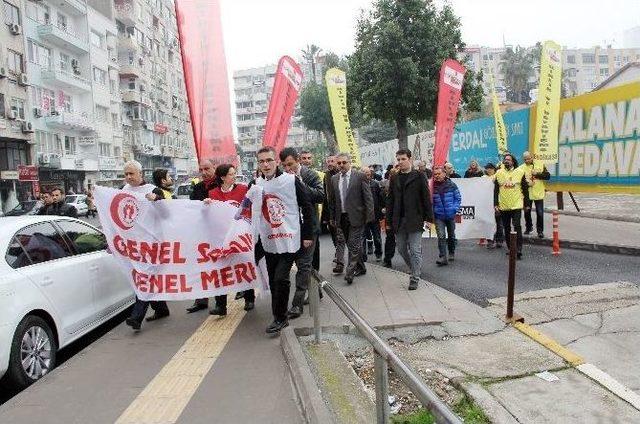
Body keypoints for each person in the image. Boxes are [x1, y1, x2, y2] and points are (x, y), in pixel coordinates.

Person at [254, 146, 315, 334]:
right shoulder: (256, 184)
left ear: (276, 162)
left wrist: (307, 235)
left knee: (281, 278)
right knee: (273, 279)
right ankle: (278, 314)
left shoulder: (291, 181)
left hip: (290, 238)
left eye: (269, 160)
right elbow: (248, 209)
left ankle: (280, 318)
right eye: (261, 161)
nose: (265, 164)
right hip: (269, 241)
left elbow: (307, 207)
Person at [123, 161, 170, 331]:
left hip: (153, 242)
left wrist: (157, 200)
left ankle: (136, 317)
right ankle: (161, 309)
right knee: (145, 276)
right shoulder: (124, 191)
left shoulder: (153, 190)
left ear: (140, 174)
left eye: (131, 174)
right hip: (135, 244)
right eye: (126, 174)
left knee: (145, 276)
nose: (128, 177)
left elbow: (167, 214)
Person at [279, 147, 324, 319]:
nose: (288, 169)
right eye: (284, 166)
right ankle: (318, 289)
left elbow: (320, 196)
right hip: (291, 229)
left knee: (303, 266)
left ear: (298, 160)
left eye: (290, 164)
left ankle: (297, 304)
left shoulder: (310, 175)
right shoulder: (282, 178)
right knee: (305, 266)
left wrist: (299, 183)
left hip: (309, 228)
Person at [205, 164, 256, 315]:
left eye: (234, 173)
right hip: (221, 237)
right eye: (231, 174)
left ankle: (249, 298)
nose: (234, 176)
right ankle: (221, 305)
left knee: (243, 266)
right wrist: (207, 205)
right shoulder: (212, 193)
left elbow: (249, 209)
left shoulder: (242, 190)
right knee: (221, 270)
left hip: (240, 236)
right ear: (222, 177)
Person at [386, 149, 433, 290]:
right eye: (398, 159)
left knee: (415, 249)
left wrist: (429, 219)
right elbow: (391, 200)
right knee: (400, 248)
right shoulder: (394, 177)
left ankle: (414, 277)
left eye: (403, 159)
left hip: (415, 218)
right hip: (399, 220)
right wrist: (388, 221)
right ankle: (414, 268)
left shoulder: (419, 176)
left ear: (410, 159)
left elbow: (426, 198)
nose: (400, 162)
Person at [329, 152, 374, 285]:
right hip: (341, 217)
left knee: (354, 244)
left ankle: (350, 272)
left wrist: (369, 216)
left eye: (344, 162)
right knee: (350, 244)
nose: (341, 165)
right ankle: (361, 267)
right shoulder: (334, 179)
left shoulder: (359, 176)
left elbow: (368, 197)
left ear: (350, 163)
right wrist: (332, 217)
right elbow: (332, 200)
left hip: (357, 216)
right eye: (339, 163)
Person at [185, 159, 219, 313]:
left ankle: (234, 297)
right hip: (201, 232)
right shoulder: (198, 187)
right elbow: (191, 208)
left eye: (207, 169)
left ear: (214, 168)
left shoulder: (221, 184)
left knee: (222, 267)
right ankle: (201, 300)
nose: (204, 172)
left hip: (219, 232)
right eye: (201, 169)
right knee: (201, 267)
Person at [494, 153, 532, 259]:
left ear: (513, 161)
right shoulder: (499, 173)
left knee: (517, 226)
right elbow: (496, 190)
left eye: (509, 160)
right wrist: (496, 204)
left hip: (516, 204)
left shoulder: (520, 172)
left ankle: (518, 249)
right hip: (504, 205)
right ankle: (511, 248)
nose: (506, 161)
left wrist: (527, 204)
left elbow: (525, 189)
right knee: (506, 227)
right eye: (505, 159)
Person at [432, 166, 462, 266]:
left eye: (439, 174)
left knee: (451, 235)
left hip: (450, 215)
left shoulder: (451, 185)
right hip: (438, 216)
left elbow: (458, 198)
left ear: (444, 174)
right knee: (441, 236)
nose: (437, 176)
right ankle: (442, 257)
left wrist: (454, 209)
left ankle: (451, 252)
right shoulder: (432, 187)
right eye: (435, 174)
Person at [520, 151, 550, 238]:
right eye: (525, 159)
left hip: (538, 193)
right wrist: (527, 184)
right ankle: (529, 227)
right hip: (527, 194)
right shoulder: (521, 168)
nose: (527, 160)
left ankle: (540, 231)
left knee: (540, 213)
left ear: (532, 157)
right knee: (527, 212)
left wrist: (537, 174)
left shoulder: (540, 165)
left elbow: (547, 176)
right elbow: (519, 182)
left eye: (528, 158)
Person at [321, 155, 341, 271]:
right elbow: (325, 196)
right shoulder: (326, 176)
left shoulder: (342, 173)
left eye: (332, 161)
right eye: (328, 161)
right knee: (334, 236)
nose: (330, 163)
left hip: (344, 211)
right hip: (331, 212)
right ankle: (338, 256)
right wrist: (325, 216)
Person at [362, 167, 384, 262]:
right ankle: (363, 256)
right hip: (363, 216)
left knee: (377, 237)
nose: (367, 175)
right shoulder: (358, 185)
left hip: (375, 215)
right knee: (364, 237)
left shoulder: (375, 184)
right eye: (365, 174)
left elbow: (381, 199)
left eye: (368, 173)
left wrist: (381, 211)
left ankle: (378, 253)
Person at [484, 163, 504, 249]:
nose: (489, 170)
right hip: (486, 203)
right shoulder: (483, 178)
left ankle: (499, 240)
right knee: (489, 223)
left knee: (499, 223)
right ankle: (490, 241)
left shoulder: (498, 176)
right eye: (487, 168)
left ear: (494, 169)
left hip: (497, 202)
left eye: (490, 168)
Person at [381, 166, 398, 268]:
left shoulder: (403, 187)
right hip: (391, 218)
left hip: (401, 218)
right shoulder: (386, 188)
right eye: (392, 175)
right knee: (390, 239)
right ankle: (387, 259)